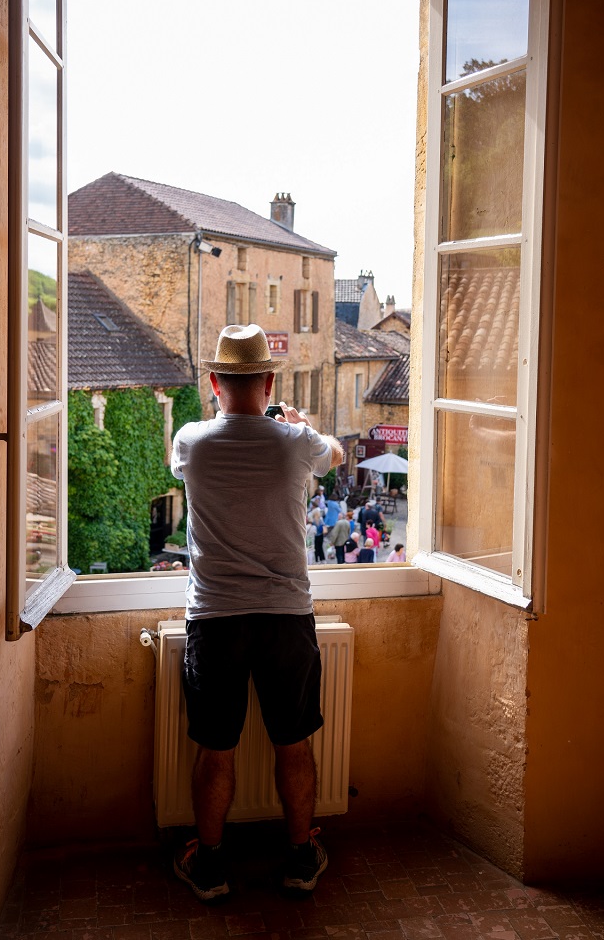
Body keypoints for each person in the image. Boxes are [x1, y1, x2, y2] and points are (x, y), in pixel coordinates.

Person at [170, 324, 344, 901]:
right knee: (293, 743)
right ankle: (299, 857)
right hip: (285, 616)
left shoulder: (191, 440)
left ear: (215, 382)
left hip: (215, 617)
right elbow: (337, 456)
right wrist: (299, 427)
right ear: (269, 382)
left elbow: (190, 465)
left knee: (214, 747)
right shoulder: (295, 442)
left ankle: (212, 866)